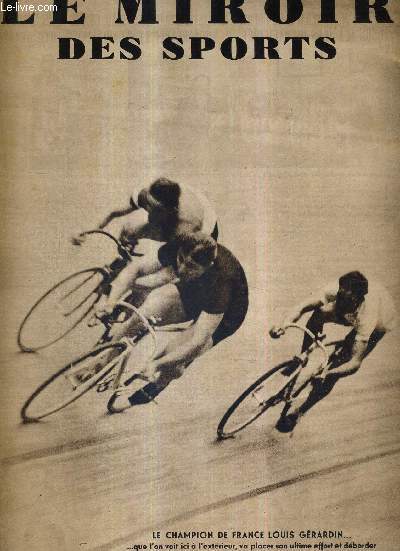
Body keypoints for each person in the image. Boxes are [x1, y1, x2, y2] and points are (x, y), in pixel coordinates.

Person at [88, 231, 248, 413]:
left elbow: (197, 342)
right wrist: (110, 302)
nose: (180, 269)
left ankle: (141, 396)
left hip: (225, 316)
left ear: (208, 266)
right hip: (194, 290)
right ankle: (102, 364)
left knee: (174, 360)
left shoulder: (223, 283)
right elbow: (136, 268)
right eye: (180, 259)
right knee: (143, 314)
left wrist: (158, 364)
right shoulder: (183, 244)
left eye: (190, 266)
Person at [270, 271, 397, 432]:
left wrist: (329, 374)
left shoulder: (367, 317)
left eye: (346, 299)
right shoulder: (337, 292)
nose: (341, 301)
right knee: (318, 314)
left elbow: (355, 363)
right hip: (356, 309)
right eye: (340, 296)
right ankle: (303, 360)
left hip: (379, 323)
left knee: (336, 368)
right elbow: (302, 307)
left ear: (357, 300)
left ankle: (299, 412)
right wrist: (283, 324)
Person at [72, 177, 218, 246]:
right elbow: (114, 213)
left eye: (156, 210)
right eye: (148, 205)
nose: (149, 214)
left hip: (203, 229)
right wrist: (87, 231)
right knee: (128, 231)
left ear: (170, 210)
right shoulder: (147, 195)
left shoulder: (185, 228)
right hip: (176, 215)